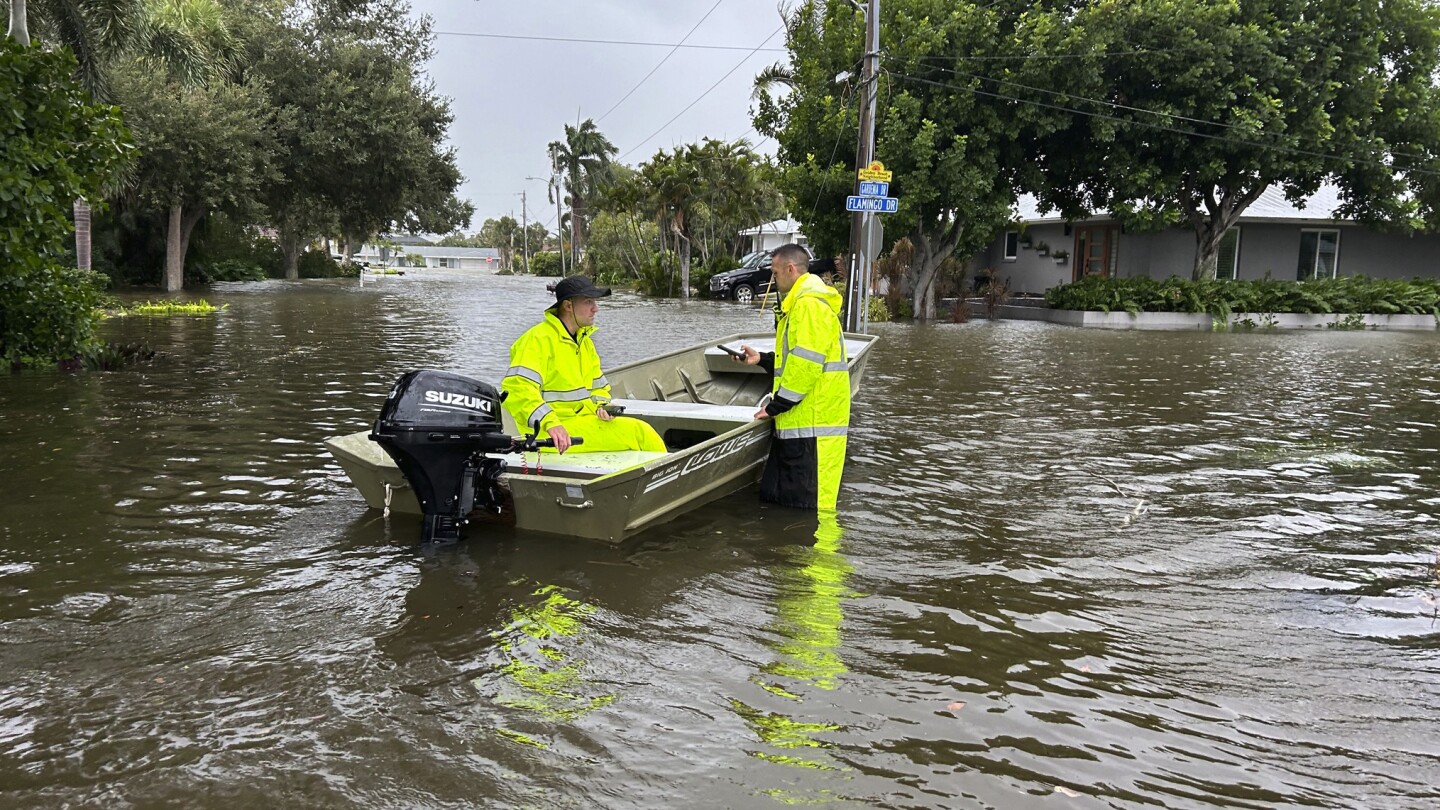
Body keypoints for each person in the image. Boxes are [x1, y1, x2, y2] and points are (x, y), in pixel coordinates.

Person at [736, 243, 851, 509]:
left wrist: (774, 407)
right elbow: (795, 358)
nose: (773, 279)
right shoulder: (800, 304)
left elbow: (806, 367)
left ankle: (822, 553)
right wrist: (761, 359)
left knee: (812, 510)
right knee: (783, 504)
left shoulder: (809, 306)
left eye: (775, 273)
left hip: (813, 428)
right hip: (800, 423)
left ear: (790, 269)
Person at [502, 276, 666, 454]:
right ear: (568, 305)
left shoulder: (585, 342)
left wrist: (602, 406)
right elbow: (517, 389)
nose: (595, 309)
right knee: (642, 433)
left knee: (640, 433)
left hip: (579, 421)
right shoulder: (537, 340)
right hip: (547, 432)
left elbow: (598, 387)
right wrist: (551, 423)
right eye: (588, 302)